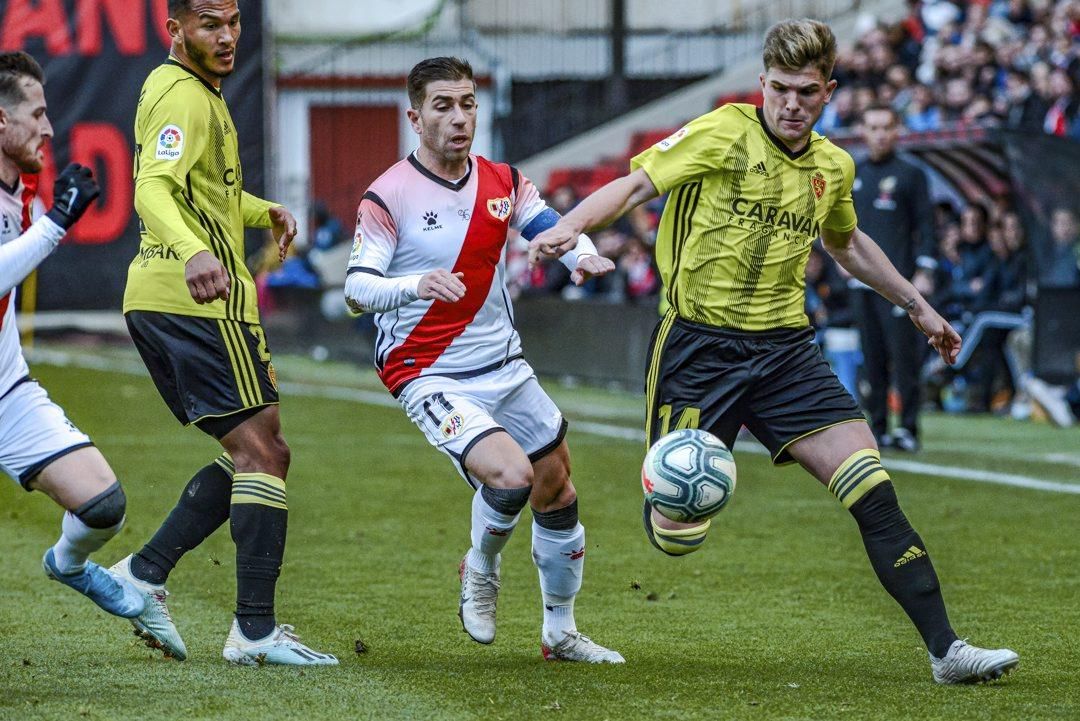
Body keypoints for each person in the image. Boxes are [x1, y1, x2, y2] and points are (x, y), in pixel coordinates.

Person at [530, 19, 1018, 684]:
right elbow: (640, 185)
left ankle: (947, 650)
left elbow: (847, 247)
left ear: (828, 94)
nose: (791, 103)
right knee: (674, 533)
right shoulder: (723, 130)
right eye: (780, 89)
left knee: (873, 488)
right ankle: (668, 491)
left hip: (787, 352)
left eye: (806, 92)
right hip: (698, 348)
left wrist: (917, 304)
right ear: (762, 84)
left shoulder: (833, 166)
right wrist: (568, 225)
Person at [344, 57, 623, 664]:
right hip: (427, 370)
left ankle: (561, 632)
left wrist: (582, 255)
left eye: (468, 103)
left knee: (557, 487)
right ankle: (481, 566)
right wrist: (413, 285)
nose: (459, 117)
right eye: (443, 105)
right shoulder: (387, 194)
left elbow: (549, 226)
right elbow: (356, 289)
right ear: (415, 117)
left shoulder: (503, 180)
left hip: (504, 364)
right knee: (511, 475)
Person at [110, 0, 336, 666]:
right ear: (174, 29)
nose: (228, 35)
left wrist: (262, 209)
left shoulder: (196, 93)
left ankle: (144, 571)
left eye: (234, 21)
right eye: (210, 23)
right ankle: (254, 631)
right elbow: (153, 188)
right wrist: (194, 253)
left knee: (264, 448)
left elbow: (202, 193)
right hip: (196, 301)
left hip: (188, 300)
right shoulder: (182, 94)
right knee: (263, 453)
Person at [0, 51, 144, 623]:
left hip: (6, 391)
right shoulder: (34, 203)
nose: (49, 127)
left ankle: (69, 564)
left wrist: (46, 222)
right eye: (36, 113)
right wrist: (56, 225)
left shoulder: (20, 188)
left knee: (103, 505)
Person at [851, 105, 937, 451]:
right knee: (871, 359)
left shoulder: (911, 174)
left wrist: (925, 270)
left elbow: (927, 226)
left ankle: (910, 429)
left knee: (904, 358)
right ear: (863, 130)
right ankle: (880, 427)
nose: (880, 134)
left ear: (897, 130)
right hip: (860, 283)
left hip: (899, 284)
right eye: (873, 127)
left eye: (886, 127)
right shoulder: (853, 172)